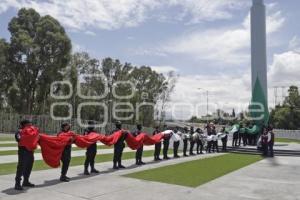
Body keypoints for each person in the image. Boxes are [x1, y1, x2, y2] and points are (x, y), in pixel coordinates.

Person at [14, 120, 38, 190]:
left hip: (30, 151)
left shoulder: (32, 131)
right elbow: (18, 139)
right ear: (25, 124)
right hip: (23, 151)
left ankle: (26, 181)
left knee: (29, 166)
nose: (31, 124)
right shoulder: (20, 131)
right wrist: (27, 136)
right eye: (29, 123)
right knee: (21, 167)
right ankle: (17, 184)